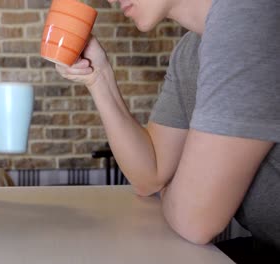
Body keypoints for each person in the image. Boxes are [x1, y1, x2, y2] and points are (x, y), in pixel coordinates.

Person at [56, 0, 280, 261]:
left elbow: (195, 220)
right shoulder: (190, 51)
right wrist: (98, 77)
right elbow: (149, 176)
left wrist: (179, 191)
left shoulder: (250, 13)